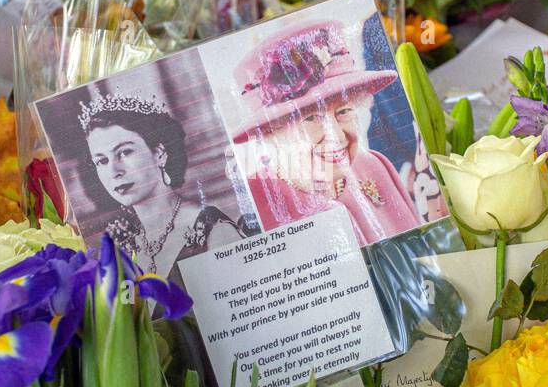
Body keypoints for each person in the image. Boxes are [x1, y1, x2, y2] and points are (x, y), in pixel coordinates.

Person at [229, 20, 424, 245]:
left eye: (344, 110)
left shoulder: (374, 165)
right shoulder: (252, 207)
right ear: (271, 132)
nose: (337, 137)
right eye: (310, 118)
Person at [79, 92, 244, 279]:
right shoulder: (122, 246)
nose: (114, 171)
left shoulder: (215, 232)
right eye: (101, 161)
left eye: (125, 152)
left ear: (159, 153)